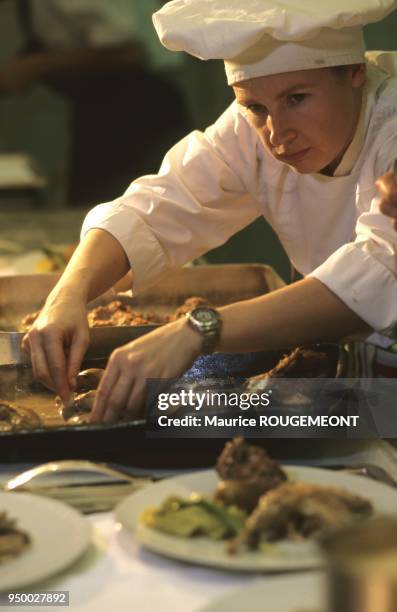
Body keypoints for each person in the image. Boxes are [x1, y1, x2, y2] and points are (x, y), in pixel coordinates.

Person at [23, 0, 397, 423]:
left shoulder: (392, 129)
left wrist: (198, 329)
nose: (277, 134)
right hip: (354, 391)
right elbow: (160, 204)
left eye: (297, 98)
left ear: (355, 73)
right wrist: (68, 292)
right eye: (256, 108)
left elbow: (380, 269)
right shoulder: (251, 129)